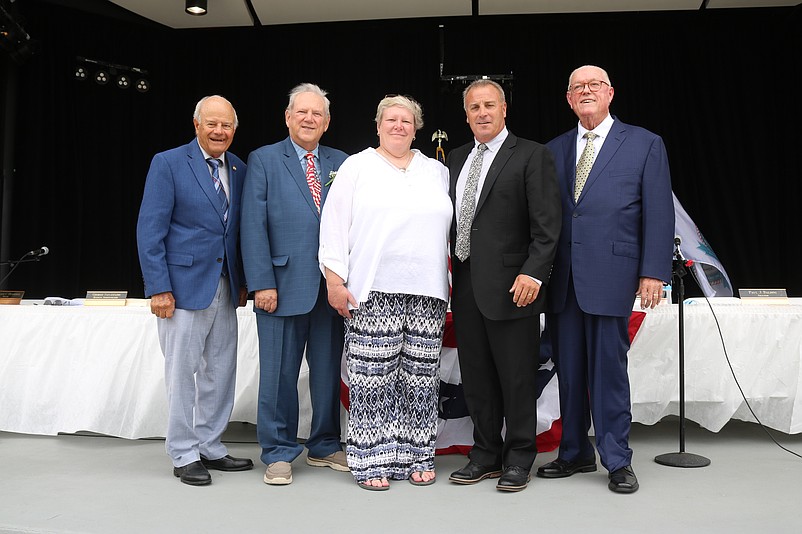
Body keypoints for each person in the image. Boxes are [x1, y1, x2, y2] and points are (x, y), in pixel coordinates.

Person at [538, 65, 674, 494]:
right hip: (563, 282)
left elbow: (658, 211)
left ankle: (617, 459)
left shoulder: (644, 144)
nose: (586, 91)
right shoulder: (553, 150)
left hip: (613, 277)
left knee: (609, 373)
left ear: (610, 93)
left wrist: (652, 270)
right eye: (577, 87)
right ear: (568, 99)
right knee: (570, 371)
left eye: (594, 85)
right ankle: (574, 453)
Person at [319, 95, 452, 491]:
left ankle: (417, 454)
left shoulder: (435, 171)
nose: (399, 126)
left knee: (421, 380)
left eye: (407, 120)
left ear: (417, 127)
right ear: (377, 126)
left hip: (427, 291)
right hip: (372, 290)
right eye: (391, 120)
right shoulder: (356, 166)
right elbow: (334, 226)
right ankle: (371, 459)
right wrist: (334, 281)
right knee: (372, 380)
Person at [446, 79, 562, 492]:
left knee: (515, 379)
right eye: (474, 107)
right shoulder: (456, 159)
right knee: (476, 379)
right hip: (465, 287)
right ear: (466, 114)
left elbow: (547, 225)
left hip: (516, 287)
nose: (482, 113)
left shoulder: (532, 154)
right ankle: (485, 454)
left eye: (489, 105)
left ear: (504, 109)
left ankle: (518, 457)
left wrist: (533, 273)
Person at [136, 95, 253, 486]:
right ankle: (183, 452)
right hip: (181, 289)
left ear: (234, 130)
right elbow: (150, 230)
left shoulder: (238, 167)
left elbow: (235, 232)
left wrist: (243, 282)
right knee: (182, 373)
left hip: (226, 286)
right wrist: (159, 288)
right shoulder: (168, 163)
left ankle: (210, 445)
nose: (219, 131)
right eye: (212, 124)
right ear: (197, 125)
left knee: (220, 371)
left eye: (227, 126)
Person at [240, 83, 349, 486]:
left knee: (326, 372)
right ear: (287, 117)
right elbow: (252, 225)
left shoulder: (344, 161)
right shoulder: (265, 159)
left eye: (316, 114)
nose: (308, 119)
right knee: (279, 375)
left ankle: (324, 444)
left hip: (331, 288)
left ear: (327, 122)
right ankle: (279, 450)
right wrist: (261, 283)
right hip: (280, 287)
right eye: (301, 112)